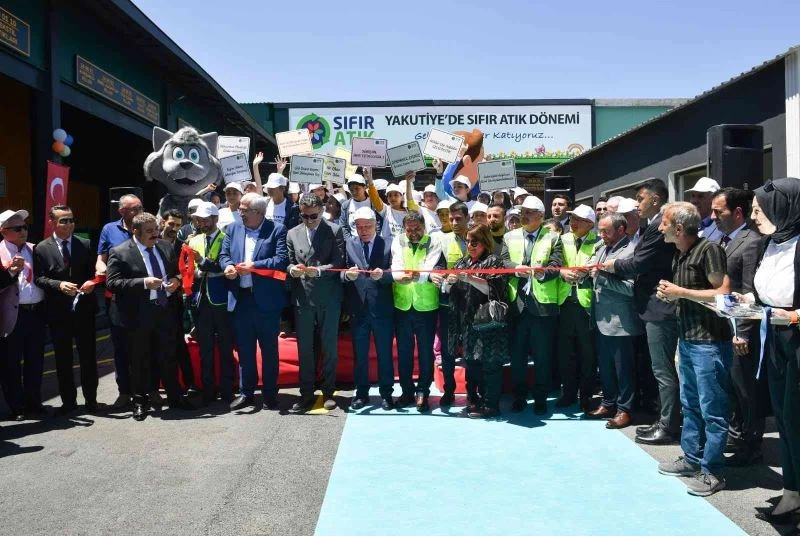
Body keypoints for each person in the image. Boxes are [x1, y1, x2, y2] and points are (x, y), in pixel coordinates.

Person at [655, 202, 732, 497]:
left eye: (664, 223)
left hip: (709, 343)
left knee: (713, 410)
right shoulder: (681, 254)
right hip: (688, 340)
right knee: (690, 404)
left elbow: (723, 293)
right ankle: (692, 459)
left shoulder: (709, 250)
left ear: (678, 228)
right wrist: (672, 296)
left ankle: (713, 472)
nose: (660, 228)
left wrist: (681, 292)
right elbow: (689, 296)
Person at [739, 178, 800, 524]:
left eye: (759, 210)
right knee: (785, 419)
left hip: (796, 339)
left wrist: (793, 315)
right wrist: (745, 300)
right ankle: (792, 492)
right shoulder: (771, 244)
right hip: (774, 339)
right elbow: (768, 291)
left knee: (796, 419)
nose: (753, 216)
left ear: (783, 208)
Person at [602, 178, 680, 446]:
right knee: (659, 370)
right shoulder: (654, 225)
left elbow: (638, 263)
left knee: (663, 371)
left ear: (655, 199)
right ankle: (665, 420)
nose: (637, 205)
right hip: (652, 306)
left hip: (660, 306)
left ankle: (668, 425)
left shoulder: (659, 227)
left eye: (640, 199)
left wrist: (612, 265)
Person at [105, 212, 193, 421]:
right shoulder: (120, 252)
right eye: (149, 231)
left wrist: (176, 281)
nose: (155, 234)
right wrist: (144, 283)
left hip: (165, 310)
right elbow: (112, 283)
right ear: (135, 231)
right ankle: (140, 401)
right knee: (139, 359)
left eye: (156, 229)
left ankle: (175, 397)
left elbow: (177, 271)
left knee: (168, 355)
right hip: (137, 315)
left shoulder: (165, 246)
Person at [710, 187, 765, 466]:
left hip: (740, 331)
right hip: (721, 327)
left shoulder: (751, 242)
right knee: (731, 387)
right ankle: (736, 435)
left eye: (718, 212)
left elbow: (749, 290)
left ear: (738, 213)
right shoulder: (723, 240)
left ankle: (752, 444)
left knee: (746, 390)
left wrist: (742, 332)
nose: (712, 217)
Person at [220, 193, 288, 411]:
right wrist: (227, 266)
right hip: (241, 299)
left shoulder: (277, 230)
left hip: (267, 300)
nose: (240, 212)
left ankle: (270, 393)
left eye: (244, 210)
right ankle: (246, 393)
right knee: (245, 350)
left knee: (269, 350)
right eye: (240, 209)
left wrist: (254, 266)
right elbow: (223, 254)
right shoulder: (233, 228)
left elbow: (281, 260)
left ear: (258, 212)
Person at [33, 205, 100, 416]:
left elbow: (94, 273)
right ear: (52, 223)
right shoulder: (41, 248)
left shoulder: (85, 244)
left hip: (84, 309)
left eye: (71, 220)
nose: (69, 224)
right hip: (58, 312)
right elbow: (39, 278)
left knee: (88, 357)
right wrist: (59, 285)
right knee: (63, 359)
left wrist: (92, 283)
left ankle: (91, 400)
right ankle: (69, 402)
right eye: (64, 221)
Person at [501, 195, 564, 415]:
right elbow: (503, 261)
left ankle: (540, 398)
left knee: (542, 357)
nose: (524, 215)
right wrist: (514, 268)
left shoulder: (554, 237)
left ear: (540, 215)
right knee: (517, 356)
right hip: (517, 306)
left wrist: (542, 273)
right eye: (522, 212)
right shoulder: (509, 236)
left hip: (542, 307)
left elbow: (557, 264)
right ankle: (519, 396)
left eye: (529, 212)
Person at [287, 193, 346, 413]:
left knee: (329, 347)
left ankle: (328, 391)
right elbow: (288, 261)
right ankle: (306, 394)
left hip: (328, 297)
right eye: (305, 216)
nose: (309, 220)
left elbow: (339, 262)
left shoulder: (335, 230)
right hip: (303, 297)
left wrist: (319, 271)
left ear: (322, 211)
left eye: (313, 216)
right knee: (305, 349)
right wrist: (292, 269)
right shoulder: (292, 233)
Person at [446, 224, 508, 418]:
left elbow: (495, 289)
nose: (470, 246)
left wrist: (470, 278)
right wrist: (448, 282)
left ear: (485, 242)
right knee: (471, 363)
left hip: (488, 321)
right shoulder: (461, 262)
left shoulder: (493, 261)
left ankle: (491, 405)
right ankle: (474, 400)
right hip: (467, 321)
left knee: (490, 364)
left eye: (475, 242)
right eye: (468, 242)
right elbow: (449, 292)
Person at [588, 213, 642, 429]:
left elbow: (631, 289)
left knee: (624, 369)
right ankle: (608, 403)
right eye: (600, 230)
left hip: (621, 321)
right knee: (606, 366)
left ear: (621, 229)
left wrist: (600, 277)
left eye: (606, 231)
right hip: (601, 319)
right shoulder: (602, 247)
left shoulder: (631, 251)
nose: (602, 235)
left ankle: (625, 410)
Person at [342, 207, 395, 410]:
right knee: (360, 355)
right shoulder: (350, 243)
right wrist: (347, 275)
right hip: (358, 309)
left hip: (382, 308)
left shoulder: (388, 243)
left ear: (376, 225)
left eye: (367, 226)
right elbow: (341, 271)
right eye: (359, 227)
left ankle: (387, 394)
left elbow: (395, 272)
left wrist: (384, 275)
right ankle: (361, 393)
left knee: (384, 354)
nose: (363, 230)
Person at [391, 212, 443, 411]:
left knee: (425, 352)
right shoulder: (398, 240)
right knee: (404, 352)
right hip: (402, 305)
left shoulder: (434, 241)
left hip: (426, 306)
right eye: (409, 229)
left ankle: (423, 391)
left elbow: (429, 267)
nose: (413, 233)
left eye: (417, 229)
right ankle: (406, 391)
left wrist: (415, 276)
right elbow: (396, 266)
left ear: (424, 226)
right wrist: (400, 276)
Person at [96, 193, 143, 409]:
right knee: (121, 347)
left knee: (145, 345)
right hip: (118, 297)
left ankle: (148, 390)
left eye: (140, 207)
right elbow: (101, 259)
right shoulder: (109, 229)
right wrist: (101, 269)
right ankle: (124, 392)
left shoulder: (147, 224)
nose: (138, 212)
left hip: (144, 295)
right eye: (133, 209)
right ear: (121, 211)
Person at [187, 202, 235, 406]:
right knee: (205, 348)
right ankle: (208, 390)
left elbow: (224, 267)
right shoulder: (194, 240)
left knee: (226, 347)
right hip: (200, 300)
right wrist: (196, 272)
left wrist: (203, 264)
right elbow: (189, 268)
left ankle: (228, 389)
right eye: (199, 219)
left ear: (215, 219)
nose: (202, 223)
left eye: (206, 219)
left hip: (221, 299)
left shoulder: (226, 239)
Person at [0, 209, 46, 420]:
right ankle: (16, 407)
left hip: (36, 312)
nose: (23, 232)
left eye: (25, 227)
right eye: (17, 229)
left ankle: (33, 403)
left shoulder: (35, 249)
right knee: (11, 363)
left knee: (35, 360)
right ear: (4, 231)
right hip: (11, 316)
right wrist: (10, 271)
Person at [556, 205, 599, 412]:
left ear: (589, 224)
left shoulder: (598, 241)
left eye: (578, 220)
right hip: (565, 302)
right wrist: (562, 271)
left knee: (587, 353)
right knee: (566, 353)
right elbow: (553, 263)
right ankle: (568, 393)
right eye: (572, 218)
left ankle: (586, 395)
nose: (572, 222)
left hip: (586, 305)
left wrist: (587, 272)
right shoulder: (562, 239)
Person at [433, 201, 469, 405]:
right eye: (451, 219)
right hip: (449, 304)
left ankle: (474, 391)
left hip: (472, 305)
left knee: (472, 351)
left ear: (467, 218)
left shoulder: (477, 238)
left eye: (458, 219)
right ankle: (449, 390)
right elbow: (437, 266)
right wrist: (441, 276)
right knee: (448, 350)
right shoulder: (442, 240)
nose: (454, 223)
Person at [340, 172, 383, 238]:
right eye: (351, 190)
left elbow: (378, 223)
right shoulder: (345, 206)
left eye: (357, 189)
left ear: (364, 187)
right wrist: (349, 241)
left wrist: (374, 239)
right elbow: (343, 226)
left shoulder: (373, 203)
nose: (354, 192)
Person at [686, 176, 724, 242]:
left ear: (714, 200)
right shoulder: (689, 225)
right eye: (693, 196)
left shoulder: (724, 227)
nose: (694, 201)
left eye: (700, 196)